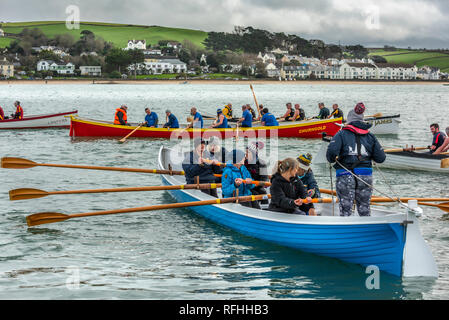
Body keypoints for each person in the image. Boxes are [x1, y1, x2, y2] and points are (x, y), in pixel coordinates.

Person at [326, 102, 386, 217]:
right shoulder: (370, 136)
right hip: (365, 176)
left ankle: (346, 232)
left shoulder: (341, 134)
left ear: (349, 120)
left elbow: (331, 155)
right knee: (364, 209)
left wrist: (333, 158)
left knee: (346, 210)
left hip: (345, 175)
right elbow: (381, 158)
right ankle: (366, 230)